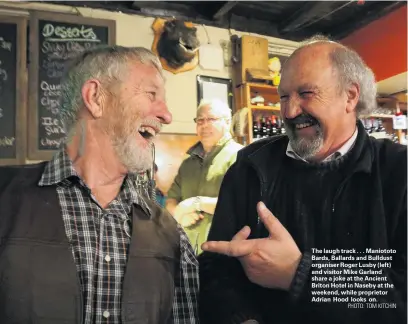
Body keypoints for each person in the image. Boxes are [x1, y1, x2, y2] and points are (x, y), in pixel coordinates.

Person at [199, 36, 407, 324]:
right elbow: (216, 267)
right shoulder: (251, 166)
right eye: (283, 96)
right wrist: (240, 318)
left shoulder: (400, 171)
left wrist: (300, 273)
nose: (289, 111)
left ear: (350, 96)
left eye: (306, 93)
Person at [0, 46, 199, 324]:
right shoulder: (5, 199)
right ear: (95, 98)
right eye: (151, 94)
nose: (167, 115)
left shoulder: (172, 237)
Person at [166, 99, 243, 254]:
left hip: (224, 254)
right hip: (187, 251)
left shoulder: (240, 156)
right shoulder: (188, 163)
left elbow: (240, 203)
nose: (204, 125)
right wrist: (178, 214)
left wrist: (196, 203)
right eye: (200, 120)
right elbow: (171, 199)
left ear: (227, 123)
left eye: (211, 119)